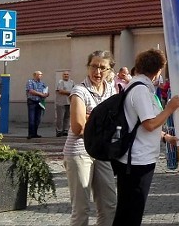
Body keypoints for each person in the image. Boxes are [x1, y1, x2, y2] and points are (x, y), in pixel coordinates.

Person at [112, 49, 179, 226]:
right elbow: (148, 124)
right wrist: (170, 109)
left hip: (138, 158)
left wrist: (165, 137)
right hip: (136, 161)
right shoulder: (140, 90)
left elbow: (141, 124)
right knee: (131, 213)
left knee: (128, 211)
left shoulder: (139, 86)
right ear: (158, 70)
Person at [63, 51, 118, 226]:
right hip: (79, 152)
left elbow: (116, 121)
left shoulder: (111, 89)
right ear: (88, 67)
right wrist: (103, 122)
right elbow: (78, 127)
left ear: (110, 70)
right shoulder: (79, 91)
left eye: (103, 67)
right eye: (94, 66)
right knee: (81, 209)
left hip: (102, 152)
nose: (98, 71)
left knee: (109, 205)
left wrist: (92, 120)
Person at [26, 70, 49, 139]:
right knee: (31, 118)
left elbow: (46, 91)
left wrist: (46, 94)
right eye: (39, 74)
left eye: (41, 74)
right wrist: (41, 94)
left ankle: (35, 133)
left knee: (38, 119)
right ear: (35, 75)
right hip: (32, 101)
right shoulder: (30, 82)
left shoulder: (42, 83)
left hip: (39, 102)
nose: (40, 76)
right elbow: (31, 91)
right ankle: (30, 134)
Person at [55, 71, 75, 137]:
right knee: (60, 117)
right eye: (64, 74)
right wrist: (70, 92)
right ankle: (59, 131)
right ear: (62, 75)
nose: (66, 75)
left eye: (67, 74)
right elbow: (61, 91)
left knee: (67, 117)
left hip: (69, 102)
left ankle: (66, 130)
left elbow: (75, 90)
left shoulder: (72, 82)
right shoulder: (60, 82)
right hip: (61, 102)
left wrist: (71, 92)